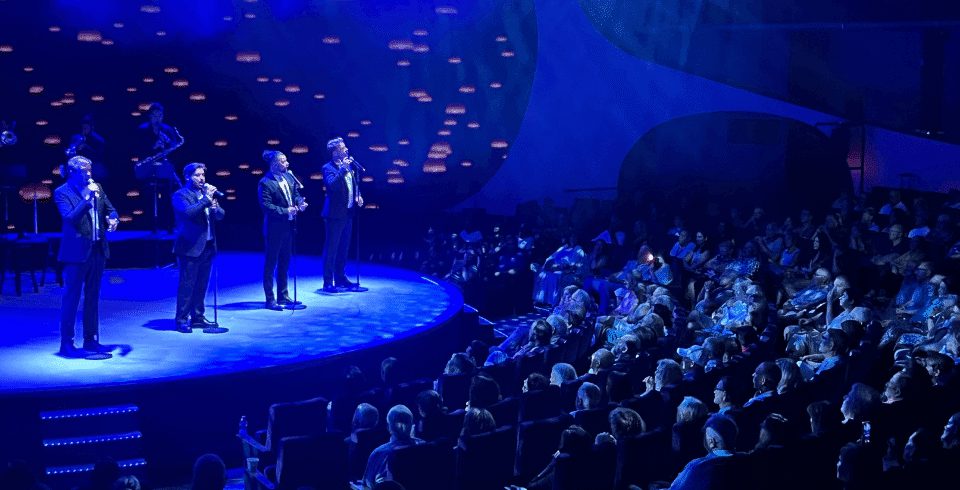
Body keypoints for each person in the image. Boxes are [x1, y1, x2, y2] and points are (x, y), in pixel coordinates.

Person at [54, 156, 119, 358]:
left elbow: (111, 208)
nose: (89, 174)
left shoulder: (97, 187)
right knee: (71, 298)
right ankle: (67, 343)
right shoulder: (61, 192)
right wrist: (86, 199)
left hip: (97, 248)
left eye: (90, 170)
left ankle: (91, 340)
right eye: (84, 171)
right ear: (72, 172)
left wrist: (114, 218)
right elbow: (69, 219)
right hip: (76, 253)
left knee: (93, 297)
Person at [172, 163, 224, 333]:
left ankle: (198, 317)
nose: (202, 178)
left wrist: (215, 209)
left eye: (203, 175)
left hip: (208, 245)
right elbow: (188, 213)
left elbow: (221, 215)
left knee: (202, 284)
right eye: (197, 175)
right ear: (187, 176)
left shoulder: (205, 195)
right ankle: (181, 320)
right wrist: (205, 201)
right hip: (189, 246)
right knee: (187, 285)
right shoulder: (180, 195)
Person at [258, 150, 308, 310]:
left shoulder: (288, 177)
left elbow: (295, 194)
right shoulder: (265, 182)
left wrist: (300, 203)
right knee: (271, 263)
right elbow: (266, 206)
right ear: (274, 164)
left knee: (285, 262)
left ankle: (283, 295)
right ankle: (270, 299)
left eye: (286, 161)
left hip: (288, 227)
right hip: (274, 229)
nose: (287, 163)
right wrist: (287, 211)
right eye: (283, 161)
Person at [322, 137, 363, 293]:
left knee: (344, 248)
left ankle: (340, 278)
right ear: (335, 152)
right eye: (342, 148)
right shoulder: (328, 168)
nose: (346, 150)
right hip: (334, 215)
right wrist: (342, 170)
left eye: (345, 147)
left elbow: (353, 185)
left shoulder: (350, 167)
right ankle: (327, 282)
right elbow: (332, 186)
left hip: (348, 213)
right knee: (331, 248)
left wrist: (358, 195)